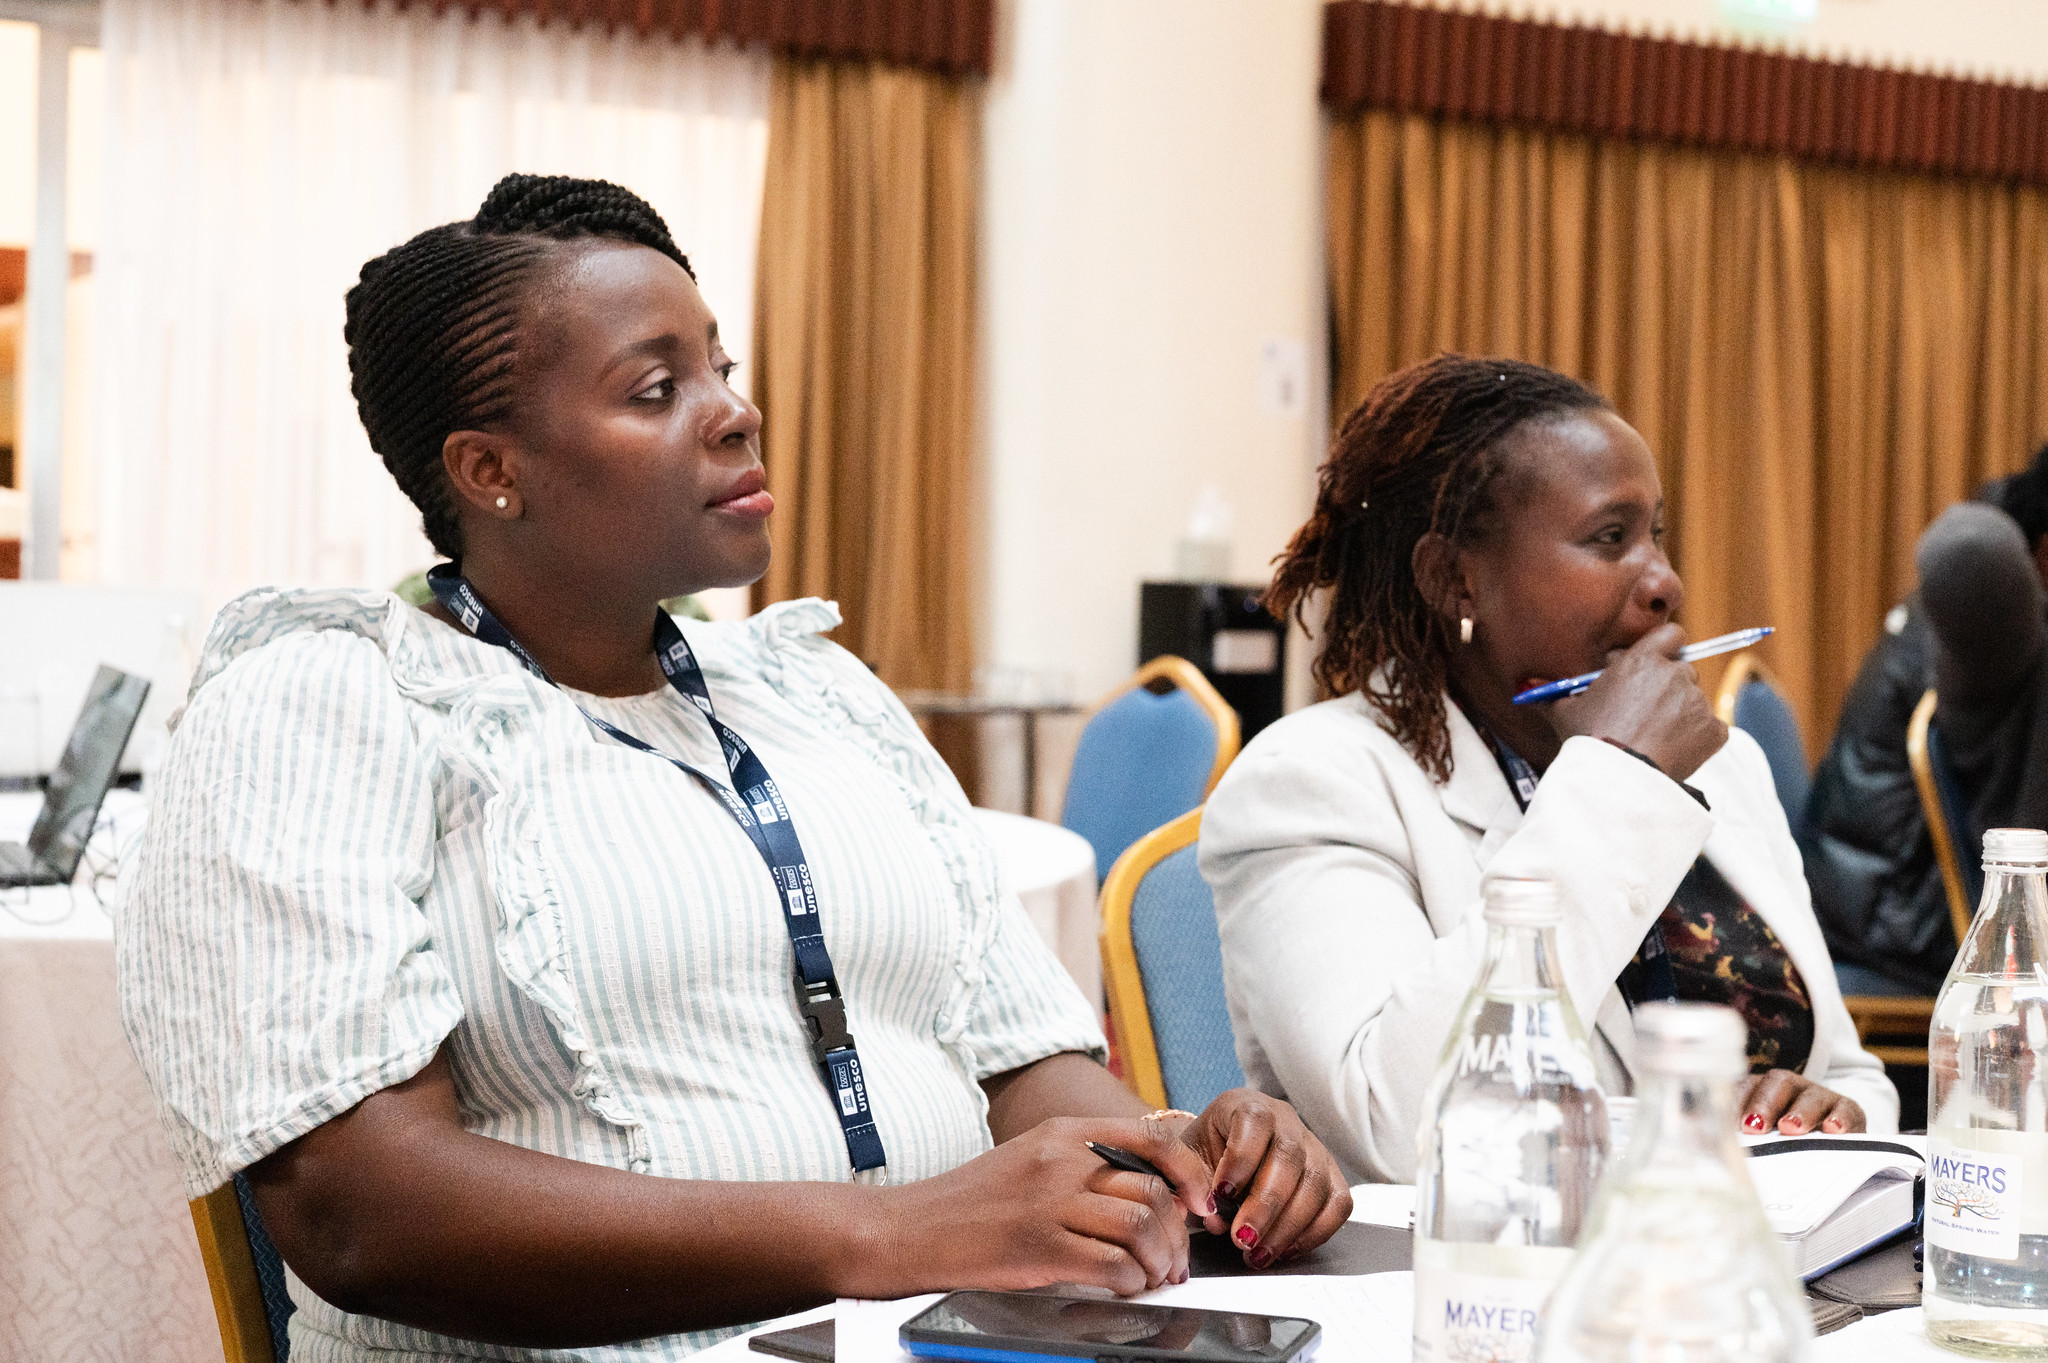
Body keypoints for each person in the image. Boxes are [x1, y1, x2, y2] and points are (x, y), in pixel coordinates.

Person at [115, 175, 1349, 1363]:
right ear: (490, 472)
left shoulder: (817, 693)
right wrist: (895, 1232)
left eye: (722, 369)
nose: (732, 411)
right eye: (656, 388)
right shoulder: (324, 705)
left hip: (954, 1335)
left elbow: (1018, 1056)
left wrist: (1176, 1152)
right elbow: (356, 1211)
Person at [1197, 355, 1898, 1187]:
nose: (1665, 583)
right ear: (1454, 578)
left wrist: (1830, 1114)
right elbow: (1398, 1124)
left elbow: (1853, 1072)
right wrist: (1618, 775)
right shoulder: (1314, 781)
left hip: (1754, 1269)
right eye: (1610, 539)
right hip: (1480, 1287)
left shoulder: (1725, 766)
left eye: (1656, 535)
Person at [1805, 450, 2048, 996]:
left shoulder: (1978, 611)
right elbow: (1966, 542)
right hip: (1898, 916)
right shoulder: (1991, 608)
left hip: (1868, 895)